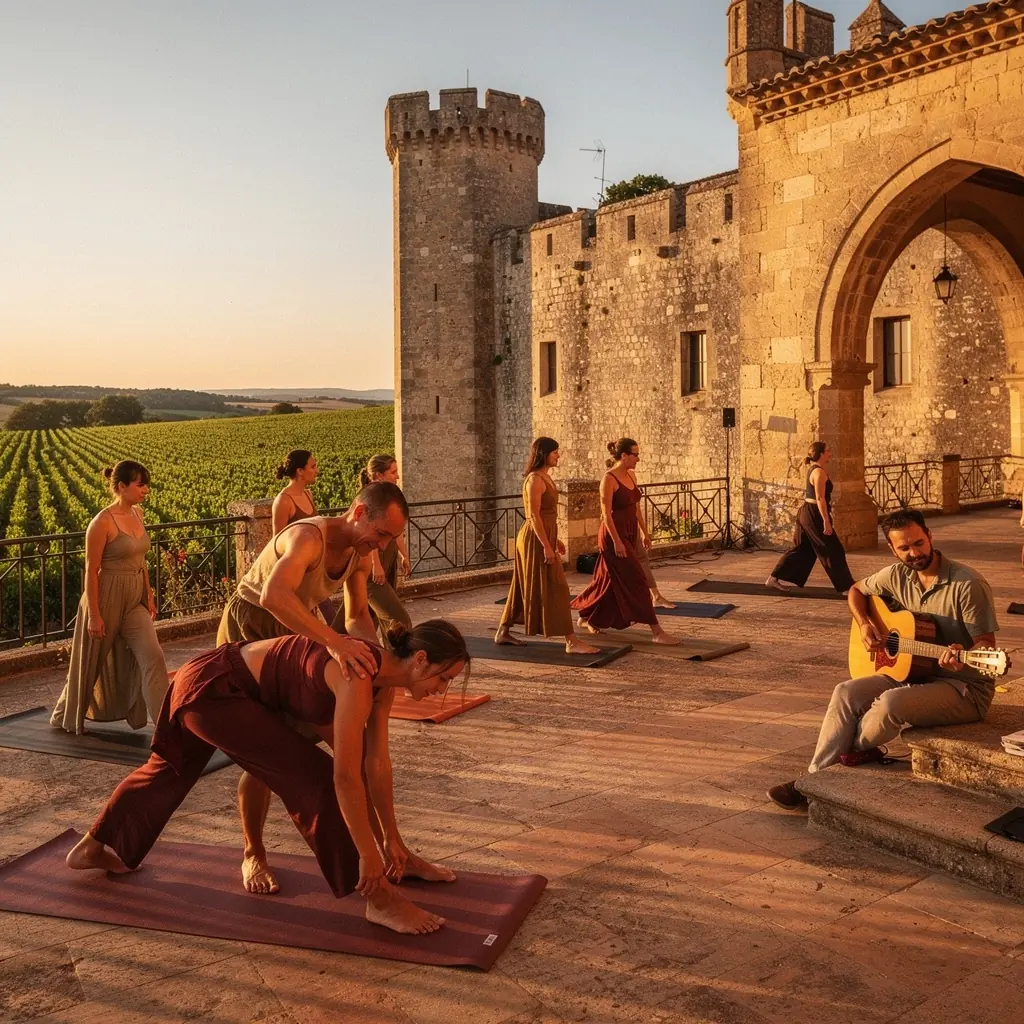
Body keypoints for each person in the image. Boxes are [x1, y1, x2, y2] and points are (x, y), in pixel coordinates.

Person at [66, 620, 470, 936]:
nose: (442, 689)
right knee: (314, 779)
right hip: (217, 688)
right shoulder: (358, 676)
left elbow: (374, 764)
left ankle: (91, 846)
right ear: (419, 659)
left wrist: (392, 840)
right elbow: (344, 778)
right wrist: (368, 856)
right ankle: (378, 899)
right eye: (444, 678)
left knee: (165, 773)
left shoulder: (382, 683)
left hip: (207, 679)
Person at [215, 480, 408, 891]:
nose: (382, 546)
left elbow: (357, 616)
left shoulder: (358, 553)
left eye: (390, 539)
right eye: (381, 534)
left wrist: (374, 661)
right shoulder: (307, 537)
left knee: (347, 750)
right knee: (264, 753)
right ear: (358, 513)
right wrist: (335, 643)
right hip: (251, 630)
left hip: (300, 632)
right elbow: (273, 596)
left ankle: (385, 849)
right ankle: (253, 854)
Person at [768, 509, 999, 810]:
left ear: (930, 536)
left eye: (918, 543)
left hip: (963, 687)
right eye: (904, 548)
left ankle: (815, 780)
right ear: (892, 549)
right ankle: (817, 777)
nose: (914, 553)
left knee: (891, 703)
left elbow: (986, 646)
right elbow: (855, 591)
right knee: (845, 692)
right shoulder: (896, 575)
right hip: (914, 671)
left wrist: (961, 656)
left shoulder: (967, 585)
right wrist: (865, 623)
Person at [50, 461, 168, 734]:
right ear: (121, 487)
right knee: (89, 662)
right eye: (140, 484)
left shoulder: (138, 514)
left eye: (146, 484)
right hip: (105, 596)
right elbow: (91, 570)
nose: (146, 489)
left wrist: (148, 595)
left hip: (134, 597)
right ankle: (63, 715)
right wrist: (94, 614)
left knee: (154, 657)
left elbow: (142, 559)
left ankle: (167, 727)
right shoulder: (101, 522)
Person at [494, 438, 600, 655]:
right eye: (555, 453)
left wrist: (555, 541)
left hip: (543, 537)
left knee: (522, 584)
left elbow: (545, 516)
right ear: (544, 454)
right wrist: (547, 547)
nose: (558, 456)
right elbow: (533, 515)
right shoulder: (534, 480)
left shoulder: (545, 477)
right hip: (534, 539)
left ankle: (503, 631)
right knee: (558, 588)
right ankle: (571, 641)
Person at [571, 439, 678, 645]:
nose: (638, 458)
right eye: (635, 455)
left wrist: (645, 533)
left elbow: (636, 508)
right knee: (637, 579)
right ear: (623, 456)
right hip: (613, 536)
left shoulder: (631, 475)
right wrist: (617, 542)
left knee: (606, 581)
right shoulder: (608, 480)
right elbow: (606, 515)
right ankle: (656, 631)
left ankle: (586, 616)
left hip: (630, 533)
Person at [766, 441, 855, 595]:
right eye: (827, 451)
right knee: (832, 550)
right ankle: (846, 587)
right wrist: (826, 521)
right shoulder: (819, 472)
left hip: (807, 512)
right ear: (820, 453)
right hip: (814, 514)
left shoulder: (813, 470)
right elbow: (820, 499)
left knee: (803, 549)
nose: (830, 453)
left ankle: (773, 578)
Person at [361, 455, 413, 636]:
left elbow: (395, 532)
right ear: (378, 475)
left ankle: (388, 658)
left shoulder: (390, 496)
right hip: (374, 564)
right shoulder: (370, 499)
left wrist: (403, 555)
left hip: (388, 559)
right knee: (398, 620)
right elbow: (369, 535)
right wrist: (376, 564)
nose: (397, 476)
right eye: (393, 472)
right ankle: (398, 658)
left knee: (375, 617)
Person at [271, 449, 320, 536]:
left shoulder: (308, 494)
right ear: (300, 471)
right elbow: (277, 542)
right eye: (313, 467)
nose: (317, 471)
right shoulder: (284, 501)